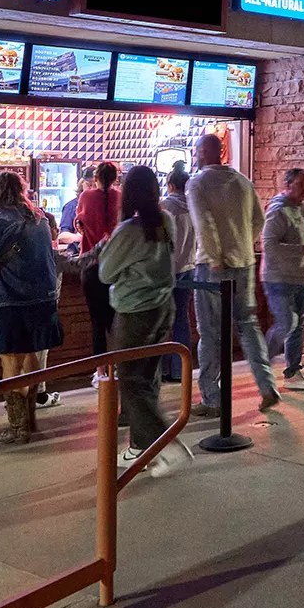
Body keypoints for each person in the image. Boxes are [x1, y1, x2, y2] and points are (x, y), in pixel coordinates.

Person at [0, 171, 63, 445]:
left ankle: (17, 427)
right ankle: (29, 420)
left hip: (6, 299)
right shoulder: (39, 219)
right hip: (41, 300)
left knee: (10, 362)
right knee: (31, 355)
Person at [188, 134, 277, 411]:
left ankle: (211, 397)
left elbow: (204, 224)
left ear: (203, 152)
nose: (196, 155)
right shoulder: (243, 181)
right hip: (245, 263)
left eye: (197, 150)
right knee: (248, 325)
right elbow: (259, 219)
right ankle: (267, 385)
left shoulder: (197, 183)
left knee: (210, 332)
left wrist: (216, 257)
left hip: (212, 267)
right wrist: (243, 245)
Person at [102, 165, 177, 469]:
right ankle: (140, 447)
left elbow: (106, 273)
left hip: (134, 312)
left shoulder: (128, 231)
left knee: (131, 381)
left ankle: (164, 443)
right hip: (164, 307)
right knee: (149, 379)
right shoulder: (166, 221)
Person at [263, 168, 304, 391]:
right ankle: (261, 364)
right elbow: (270, 246)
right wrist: (302, 249)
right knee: (287, 323)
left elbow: (303, 239)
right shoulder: (278, 211)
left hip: (300, 276)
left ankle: (293, 372)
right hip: (278, 278)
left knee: (298, 326)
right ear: (287, 185)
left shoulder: (301, 209)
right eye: (300, 185)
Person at [75, 162, 122, 356]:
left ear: (95, 178)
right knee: (114, 320)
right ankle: (117, 366)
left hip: (91, 264)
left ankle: (101, 368)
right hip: (115, 265)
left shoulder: (86, 196)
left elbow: (79, 223)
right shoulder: (120, 197)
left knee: (97, 321)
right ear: (116, 178)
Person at [162, 164, 201, 388]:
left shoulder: (166, 206)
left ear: (170, 185)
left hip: (167, 271)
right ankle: (180, 370)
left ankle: (163, 369)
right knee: (182, 319)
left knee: (162, 321)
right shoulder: (194, 207)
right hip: (189, 268)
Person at [58, 165, 95, 232]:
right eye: (89, 185)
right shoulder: (71, 207)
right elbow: (63, 234)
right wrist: (80, 236)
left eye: (95, 185)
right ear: (82, 183)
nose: (92, 189)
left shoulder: (104, 206)